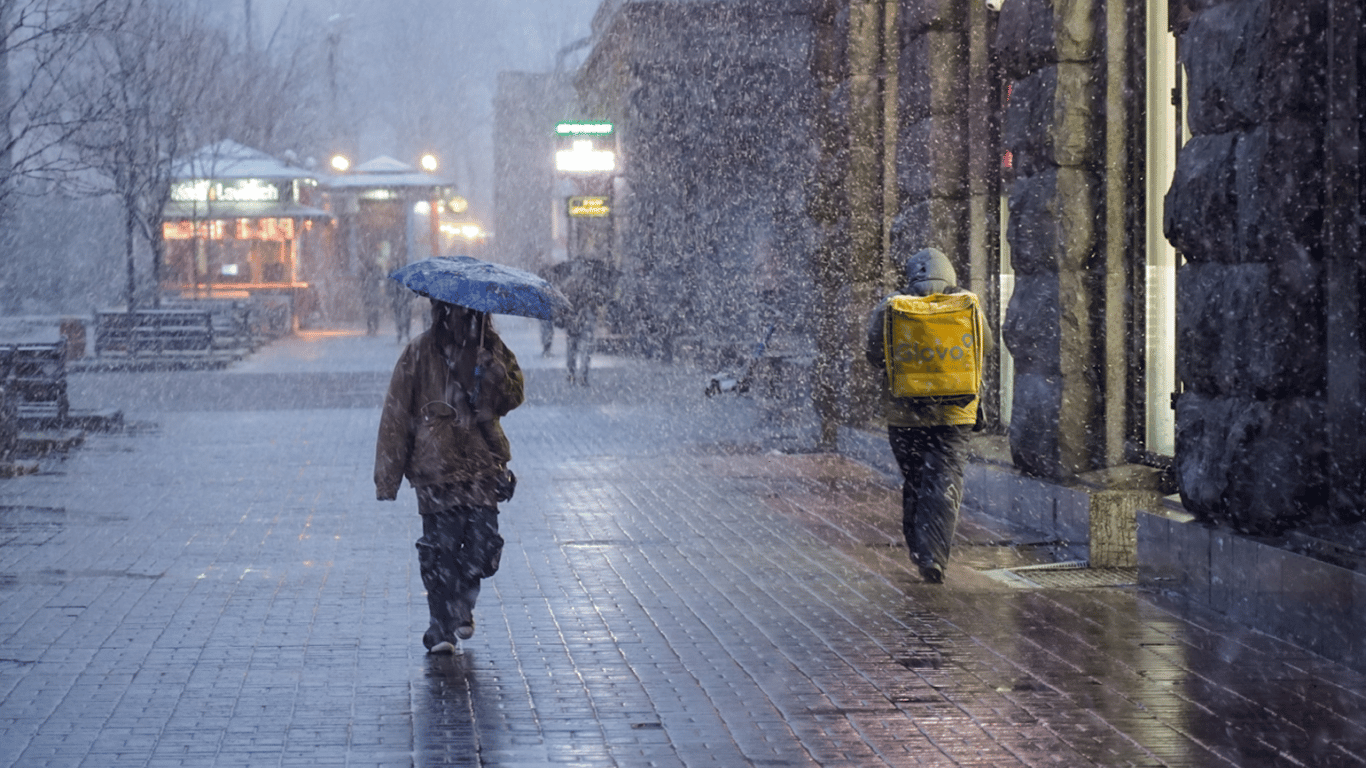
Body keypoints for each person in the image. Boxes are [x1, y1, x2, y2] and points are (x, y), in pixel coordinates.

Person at [375, 299, 525, 653]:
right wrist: (388, 476)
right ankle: (440, 629)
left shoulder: (492, 349)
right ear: (441, 311)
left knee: (483, 547)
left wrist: (496, 374)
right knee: (440, 550)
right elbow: (396, 413)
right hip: (435, 469)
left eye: (469, 312)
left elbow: (513, 397)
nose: (462, 318)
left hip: (481, 466)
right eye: (454, 311)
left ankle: (460, 608)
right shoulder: (420, 351)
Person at [865, 247, 993, 584]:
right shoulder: (968, 304)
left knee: (917, 479)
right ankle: (934, 553)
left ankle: (920, 547)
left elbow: (874, 353)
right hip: (956, 411)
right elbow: (986, 347)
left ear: (912, 276)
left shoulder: (892, 306)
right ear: (950, 276)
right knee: (945, 476)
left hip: (905, 413)